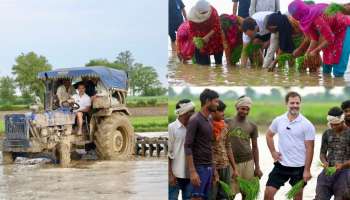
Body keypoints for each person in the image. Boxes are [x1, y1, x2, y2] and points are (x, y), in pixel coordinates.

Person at [264, 91, 316, 200]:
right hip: (281, 165)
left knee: (297, 197)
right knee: (268, 194)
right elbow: (269, 135)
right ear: (286, 104)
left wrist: (307, 170)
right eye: (292, 103)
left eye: (297, 103)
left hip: (299, 168)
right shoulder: (278, 120)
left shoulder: (307, 124)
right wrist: (273, 152)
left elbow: (310, 148)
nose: (295, 106)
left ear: (300, 104)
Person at [288, 0, 350, 77]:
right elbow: (314, 38)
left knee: (338, 64)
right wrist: (307, 54)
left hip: (343, 27)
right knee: (326, 67)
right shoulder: (307, 20)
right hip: (331, 31)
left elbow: (330, 38)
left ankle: (339, 82)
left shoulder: (317, 18)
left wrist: (316, 51)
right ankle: (327, 84)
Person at [185, 89, 219, 200]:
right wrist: (192, 171)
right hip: (199, 167)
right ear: (208, 101)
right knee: (196, 198)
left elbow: (209, 145)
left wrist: (213, 168)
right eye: (216, 101)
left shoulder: (209, 119)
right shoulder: (195, 120)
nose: (217, 104)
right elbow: (188, 146)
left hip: (208, 166)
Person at [226, 96, 263, 199]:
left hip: (248, 162)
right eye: (243, 108)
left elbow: (255, 147)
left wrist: (257, 167)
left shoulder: (252, 126)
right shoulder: (226, 122)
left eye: (247, 109)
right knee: (230, 194)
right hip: (230, 162)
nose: (245, 111)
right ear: (237, 107)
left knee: (247, 193)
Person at [315, 107, 350, 200]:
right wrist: (324, 162)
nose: (333, 127)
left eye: (336, 124)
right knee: (320, 196)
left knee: (342, 196)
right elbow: (322, 153)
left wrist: (342, 165)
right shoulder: (327, 133)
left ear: (343, 121)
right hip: (329, 170)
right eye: (332, 124)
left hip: (346, 172)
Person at [209, 100, 239, 200]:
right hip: (212, 168)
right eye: (221, 111)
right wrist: (214, 170)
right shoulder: (207, 127)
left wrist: (234, 168)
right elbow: (208, 149)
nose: (223, 113)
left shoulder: (225, 126)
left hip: (225, 166)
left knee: (225, 196)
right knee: (212, 195)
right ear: (213, 112)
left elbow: (228, 146)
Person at [169, 99, 196, 200]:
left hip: (190, 176)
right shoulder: (171, 128)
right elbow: (169, 153)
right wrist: (170, 174)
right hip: (175, 175)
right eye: (192, 111)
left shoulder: (194, 128)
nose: (194, 113)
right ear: (185, 112)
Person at [188, 0, 223, 65]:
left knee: (218, 65)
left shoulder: (213, 11)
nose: (204, 13)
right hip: (201, 40)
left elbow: (217, 26)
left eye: (205, 12)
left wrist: (207, 36)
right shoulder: (192, 16)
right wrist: (196, 39)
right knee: (204, 66)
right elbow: (191, 30)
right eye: (202, 13)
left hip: (215, 38)